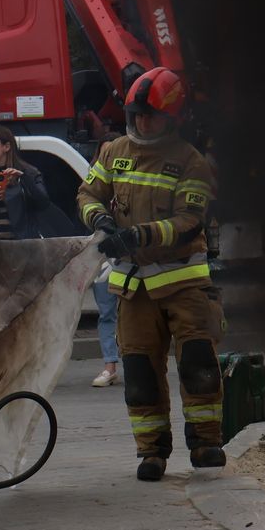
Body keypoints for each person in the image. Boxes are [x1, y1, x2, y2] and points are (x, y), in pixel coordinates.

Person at [76, 68, 225, 482]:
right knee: (140, 373)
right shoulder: (113, 151)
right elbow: (88, 193)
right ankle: (151, 452)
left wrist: (139, 235)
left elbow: (189, 221)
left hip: (184, 285)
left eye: (152, 116)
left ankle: (206, 442)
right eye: (137, 115)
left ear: (172, 118)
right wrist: (100, 219)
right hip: (134, 289)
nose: (143, 122)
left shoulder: (191, 162)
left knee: (198, 365)